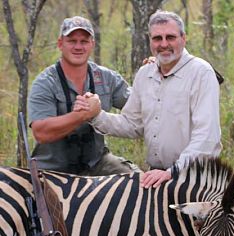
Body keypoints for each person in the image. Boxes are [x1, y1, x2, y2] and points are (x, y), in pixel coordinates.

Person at [75, 10, 222, 187]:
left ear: (184, 38)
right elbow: (132, 124)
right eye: (157, 38)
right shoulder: (145, 74)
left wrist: (172, 172)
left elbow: (207, 138)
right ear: (150, 41)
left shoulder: (201, 73)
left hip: (196, 179)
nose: (164, 44)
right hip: (157, 176)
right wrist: (96, 115)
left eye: (171, 37)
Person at [28, 16, 137, 175]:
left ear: (92, 44)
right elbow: (41, 132)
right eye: (72, 41)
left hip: (97, 163)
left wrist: (154, 74)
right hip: (52, 170)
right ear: (60, 44)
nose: (78, 47)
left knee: (140, 182)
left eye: (84, 41)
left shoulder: (106, 78)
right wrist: (83, 115)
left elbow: (141, 104)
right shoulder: (45, 83)